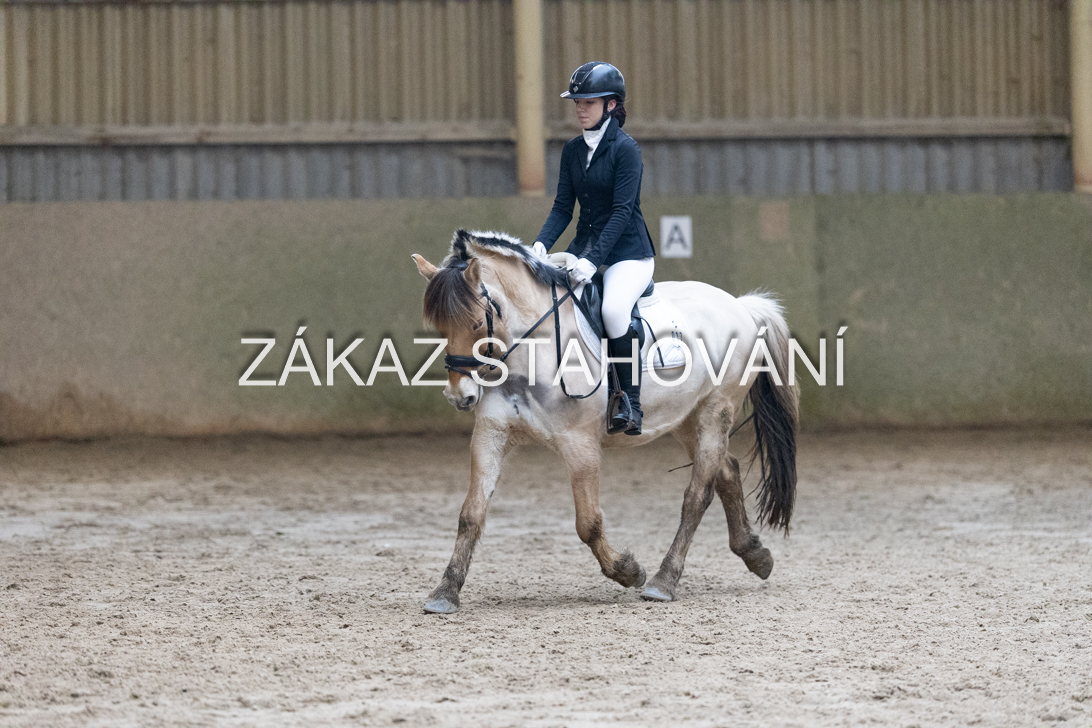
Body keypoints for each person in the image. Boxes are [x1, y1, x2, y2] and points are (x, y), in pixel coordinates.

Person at [532, 61, 656, 436]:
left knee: (613, 311)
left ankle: (630, 405)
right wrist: (540, 245)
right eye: (577, 103)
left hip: (628, 254)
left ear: (611, 105)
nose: (580, 109)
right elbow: (562, 208)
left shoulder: (626, 149)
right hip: (583, 249)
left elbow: (621, 212)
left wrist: (592, 260)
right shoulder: (572, 150)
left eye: (588, 102)